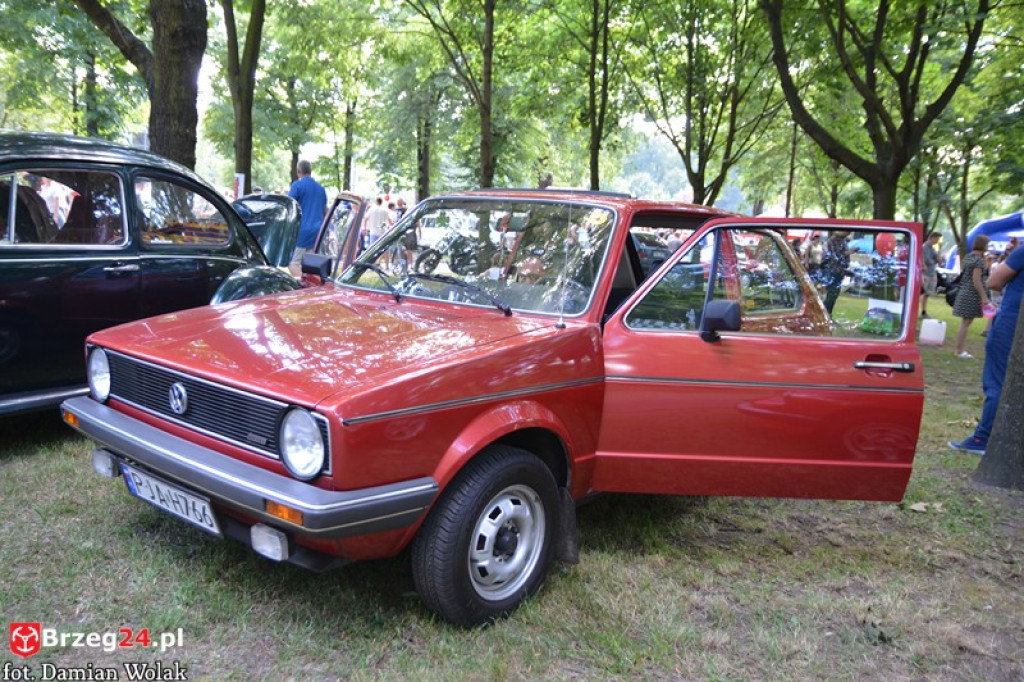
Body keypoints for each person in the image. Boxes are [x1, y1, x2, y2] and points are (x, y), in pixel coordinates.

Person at [949, 242, 1024, 455]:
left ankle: (983, 437)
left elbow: (994, 281)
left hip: (1012, 322)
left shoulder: (1022, 252)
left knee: (996, 381)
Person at [951, 234, 990, 358]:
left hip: (964, 291)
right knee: (966, 323)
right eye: (987, 244)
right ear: (983, 245)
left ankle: (958, 349)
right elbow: (976, 280)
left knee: (964, 323)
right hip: (971, 294)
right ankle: (959, 350)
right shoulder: (978, 260)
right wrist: (984, 296)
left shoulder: (968, 257)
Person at [287, 160, 328, 278]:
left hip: (302, 231)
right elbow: (325, 211)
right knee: (310, 265)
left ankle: (305, 286)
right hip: (318, 232)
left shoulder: (297, 185)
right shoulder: (321, 188)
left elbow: (290, 206)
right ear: (310, 171)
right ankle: (312, 287)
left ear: (298, 171)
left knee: (292, 263)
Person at [821, 231, 857, 314]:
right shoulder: (833, 240)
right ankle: (824, 313)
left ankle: (828, 313)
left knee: (834, 294)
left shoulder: (843, 241)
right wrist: (850, 252)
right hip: (833, 270)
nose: (848, 234)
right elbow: (836, 255)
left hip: (840, 270)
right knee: (831, 294)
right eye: (847, 232)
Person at [920, 232, 941, 317]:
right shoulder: (924, 247)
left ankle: (924, 311)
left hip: (932, 272)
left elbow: (938, 259)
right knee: (923, 293)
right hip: (926, 274)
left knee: (927, 293)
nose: (937, 241)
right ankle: (922, 311)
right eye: (937, 239)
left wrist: (939, 250)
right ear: (932, 237)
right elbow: (927, 260)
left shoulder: (932, 248)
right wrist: (934, 261)